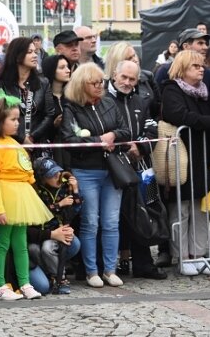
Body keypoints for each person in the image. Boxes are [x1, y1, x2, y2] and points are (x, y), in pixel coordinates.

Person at [59, 63, 130, 288]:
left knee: (111, 222)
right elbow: (70, 140)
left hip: (112, 170)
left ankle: (110, 269)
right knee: (90, 222)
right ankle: (91, 271)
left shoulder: (109, 102)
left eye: (102, 82)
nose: (100, 86)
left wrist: (112, 136)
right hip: (86, 170)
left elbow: (126, 131)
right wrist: (99, 141)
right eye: (95, 83)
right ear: (82, 85)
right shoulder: (71, 107)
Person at [0, 97, 53, 301]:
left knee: (20, 244)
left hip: (21, 199)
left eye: (17, 119)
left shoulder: (15, 143)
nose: (17, 123)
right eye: (12, 119)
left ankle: (24, 283)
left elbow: (26, 171)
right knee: (2, 244)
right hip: (4, 198)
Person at [106, 60, 165, 280]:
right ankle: (118, 262)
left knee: (148, 211)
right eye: (124, 77)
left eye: (132, 79)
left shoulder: (141, 99)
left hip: (143, 169)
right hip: (116, 169)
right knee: (118, 217)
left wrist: (139, 147)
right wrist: (125, 146)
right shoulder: (104, 100)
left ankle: (144, 263)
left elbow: (151, 128)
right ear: (115, 75)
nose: (128, 83)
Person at [160, 50, 210, 276]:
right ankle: (182, 255)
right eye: (195, 66)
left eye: (202, 66)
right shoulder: (172, 89)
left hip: (202, 156)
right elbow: (178, 115)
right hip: (181, 157)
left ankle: (199, 255)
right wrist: (206, 122)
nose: (201, 69)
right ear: (182, 69)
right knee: (181, 208)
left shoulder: (203, 92)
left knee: (200, 208)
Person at [28, 157, 82, 295]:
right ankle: (58, 277)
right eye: (52, 175)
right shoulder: (36, 191)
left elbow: (75, 209)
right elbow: (41, 212)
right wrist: (60, 205)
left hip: (58, 231)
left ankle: (57, 277)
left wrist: (75, 190)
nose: (57, 176)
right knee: (43, 249)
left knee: (71, 243)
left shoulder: (64, 188)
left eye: (58, 172)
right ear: (43, 179)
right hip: (41, 233)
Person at [0, 37, 55, 146]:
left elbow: (49, 114)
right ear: (17, 56)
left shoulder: (43, 83)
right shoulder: (0, 84)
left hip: (37, 144)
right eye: (29, 52)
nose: (35, 55)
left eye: (35, 52)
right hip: (10, 143)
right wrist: (21, 138)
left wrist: (32, 137)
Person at [104, 41, 160, 119]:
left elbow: (158, 108)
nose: (135, 60)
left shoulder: (148, 77)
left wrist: (152, 127)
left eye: (134, 55)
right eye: (129, 58)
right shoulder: (105, 89)